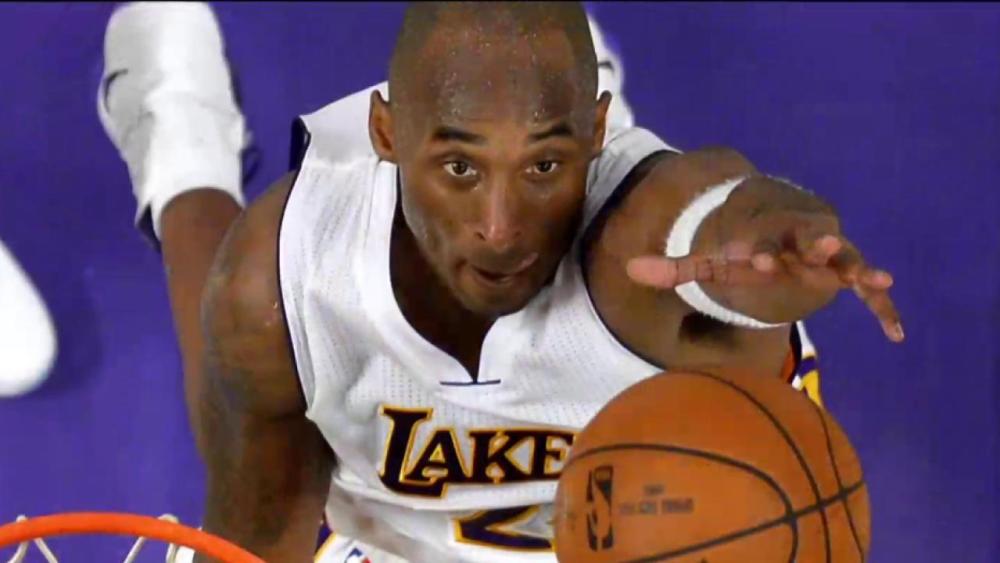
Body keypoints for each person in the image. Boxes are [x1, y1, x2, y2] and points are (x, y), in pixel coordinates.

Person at [98, 2, 902, 561]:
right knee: (235, 342)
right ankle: (182, 142)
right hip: (396, 544)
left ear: (593, 135)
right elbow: (260, 533)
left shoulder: (647, 253)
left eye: (545, 165)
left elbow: (718, 219)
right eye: (459, 167)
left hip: (649, 531)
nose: (499, 227)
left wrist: (780, 238)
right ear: (385, 132)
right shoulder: (286, 278)